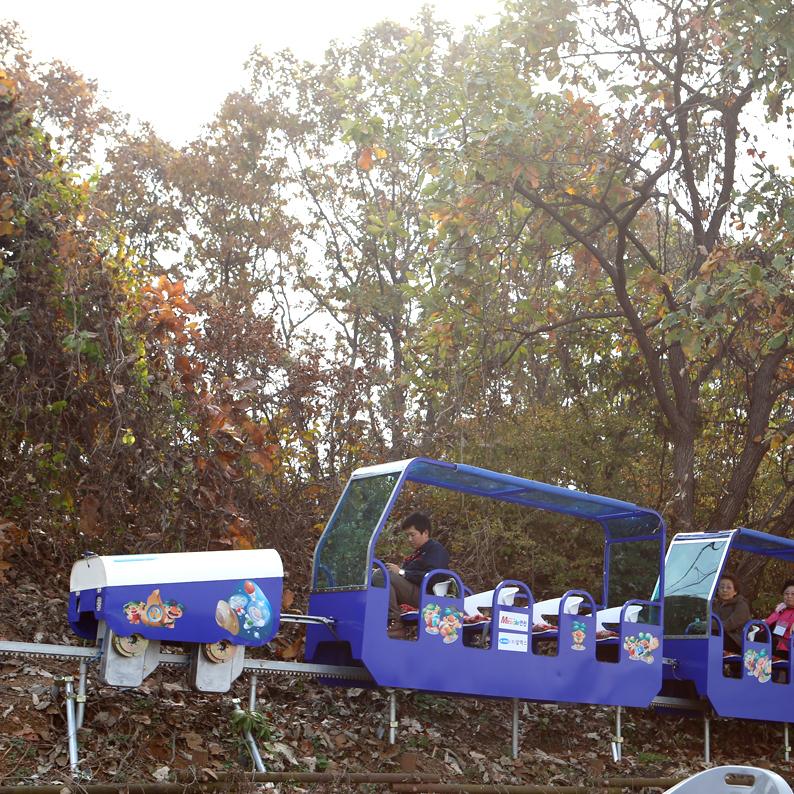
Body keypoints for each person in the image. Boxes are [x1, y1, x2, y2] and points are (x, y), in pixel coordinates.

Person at [375, 512, 449, 639]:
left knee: (382, 576)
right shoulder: (417, 554)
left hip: (428, 595)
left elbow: (436, 577)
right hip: (414, 591)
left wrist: (402, 573)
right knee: (375, 575)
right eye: (407, 536)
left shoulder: (436, 550)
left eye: (412, 535)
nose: (409, 539)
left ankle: (395, 623)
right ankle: (377, 620)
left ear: (425, 533)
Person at [711, 573, 751, 653]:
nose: (724, 590)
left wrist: (707, 625)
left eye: (728, 587)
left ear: (735, 592)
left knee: (711, 637)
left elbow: (729, 625)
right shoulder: (715, 605)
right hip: (721, 636)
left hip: (737, 640)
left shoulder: (741, 605)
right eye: (722, 587)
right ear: (718, 590)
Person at [765, 579, 794, 659]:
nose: (789, 596)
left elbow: (780, 629)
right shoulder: (780, 610)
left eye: (793, 594)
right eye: (786, 593)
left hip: (789, 648)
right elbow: (768, 624)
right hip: (777, 643)